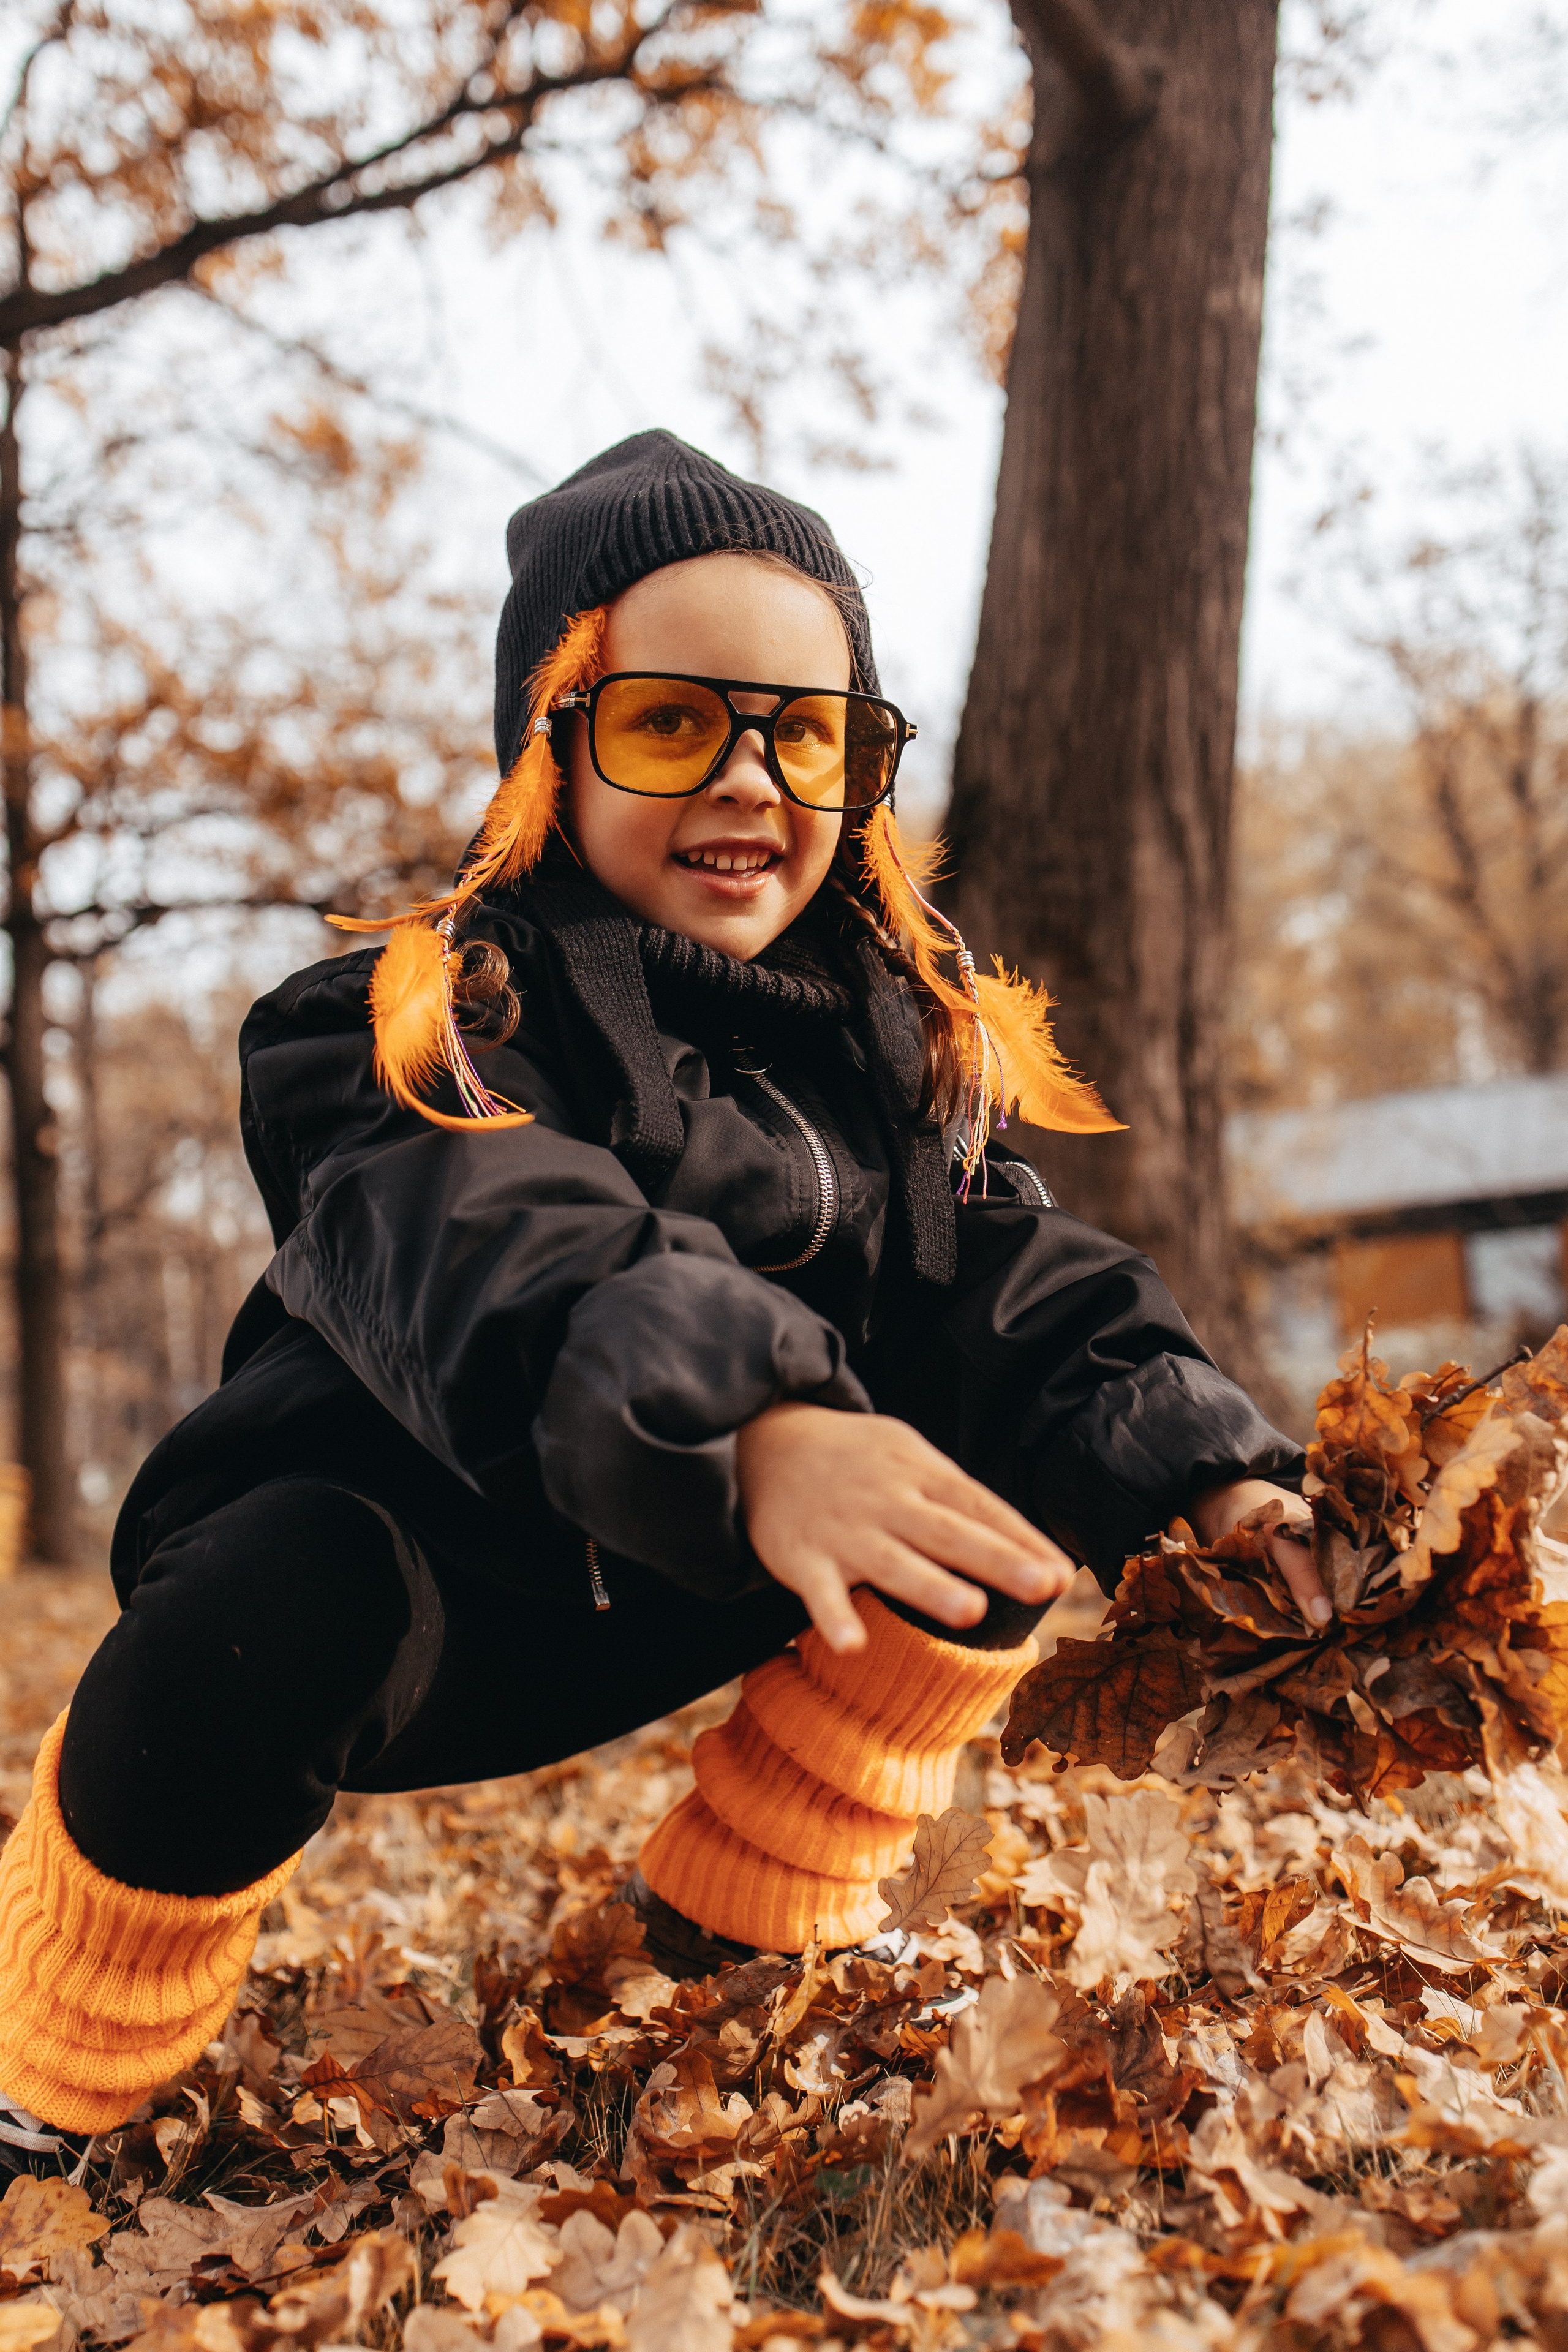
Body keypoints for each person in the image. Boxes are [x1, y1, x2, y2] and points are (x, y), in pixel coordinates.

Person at [0, 431, 1325, 2180]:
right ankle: (54, 2075)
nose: (753, 781)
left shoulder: (896, 1051)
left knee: (983, 1521)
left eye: (808, 733)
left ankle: (738, 1941)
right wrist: (756, 1418)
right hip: (413, 1593)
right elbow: (497, 1236)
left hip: (667, 1588)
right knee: (274, 1595)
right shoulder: (408, 1021)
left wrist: (1217, 1480)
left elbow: (1032, 1303)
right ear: (552, 750)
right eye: (672, 726)